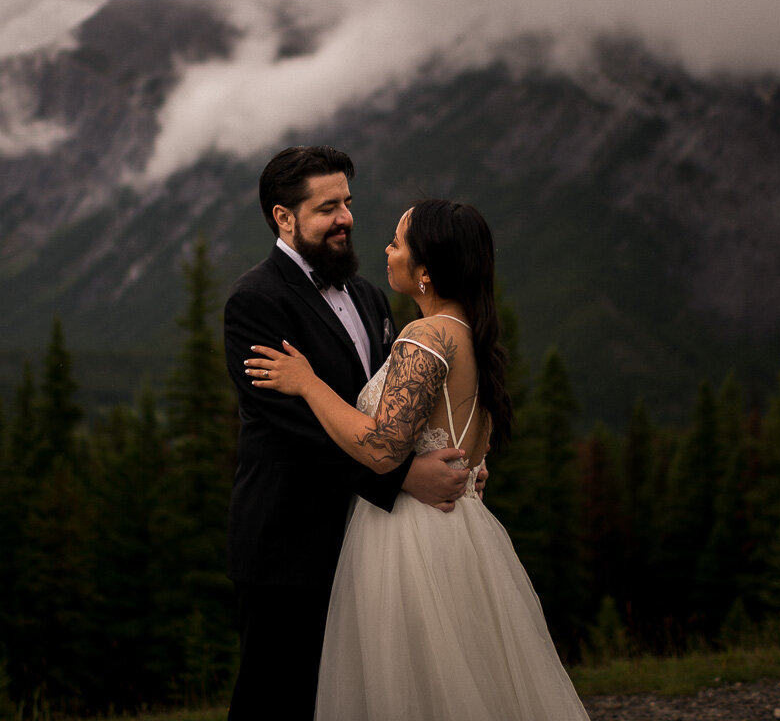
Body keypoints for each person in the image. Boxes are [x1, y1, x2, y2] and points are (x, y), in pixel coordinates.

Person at [247, 199, 590, 720]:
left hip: (410, 537)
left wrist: (308, 384)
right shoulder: (470, 334)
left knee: (409, 689)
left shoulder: (425, 335)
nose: (386, 251)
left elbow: (384, 450)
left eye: (398, 243)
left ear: (426, 270)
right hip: (464, 535)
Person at [224, 147, 477, 721]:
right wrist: (405, 476)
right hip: (289, 543)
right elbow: (290, 428)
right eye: (327, 208)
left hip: (368, 541)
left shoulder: (366, 295)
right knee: (276, 698)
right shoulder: (255, 301)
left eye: (348, 203)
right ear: (283, 218)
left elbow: (393, 410)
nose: (346, 218)